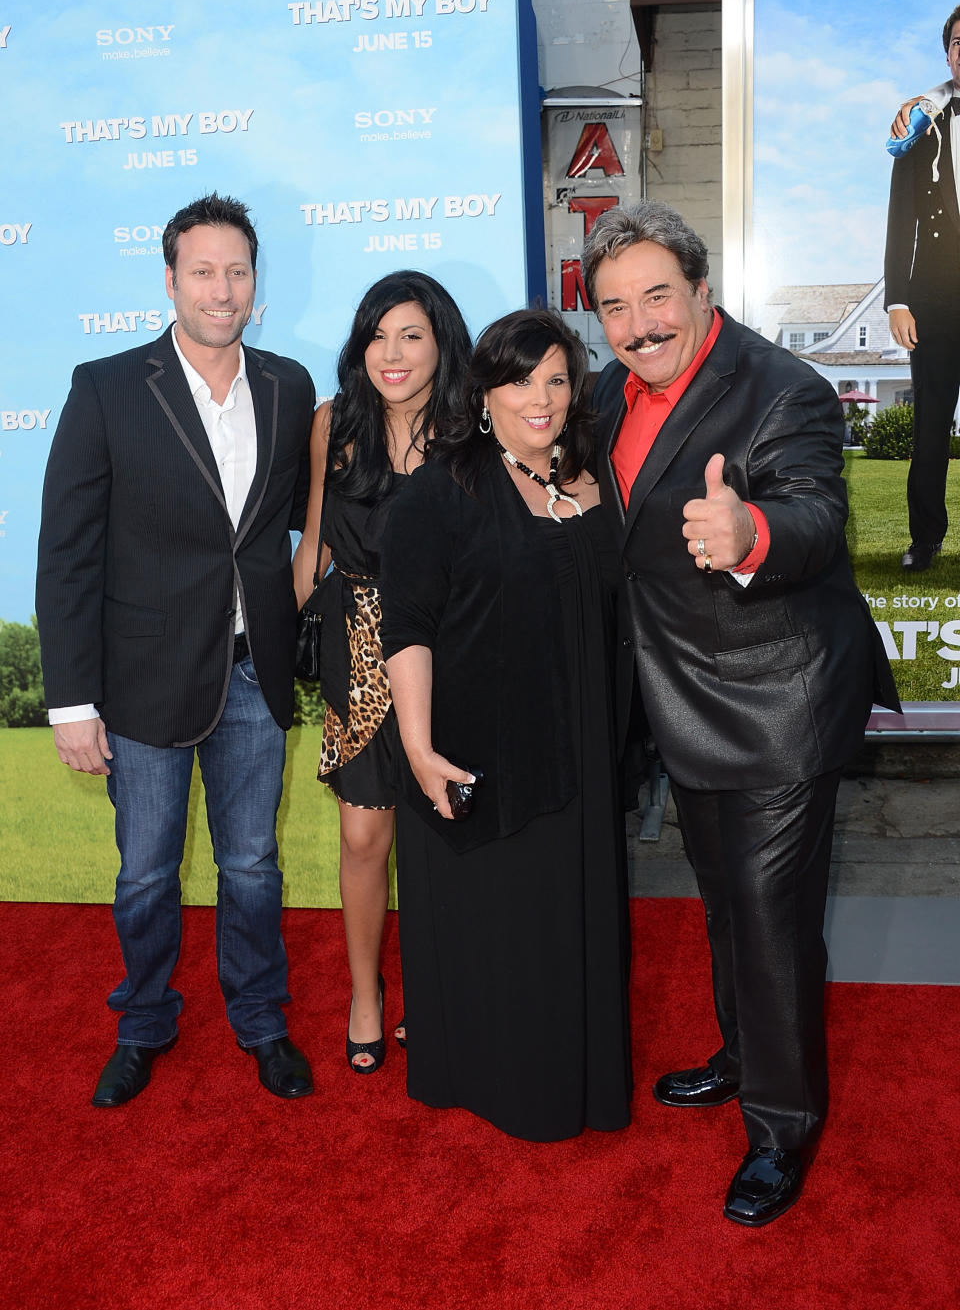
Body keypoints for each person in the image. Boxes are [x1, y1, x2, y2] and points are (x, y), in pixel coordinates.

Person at [582, 201, 899, 1224]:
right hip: (677, 698)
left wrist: (749, 526)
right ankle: (743, 1051)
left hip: (776, 700)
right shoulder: (601, 397)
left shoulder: (783, 389)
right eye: (616, 308)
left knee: (768, 921)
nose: (640, 325)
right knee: (726, 904)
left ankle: (781, 1130)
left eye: (657, 297)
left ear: (702, 290)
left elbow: (815, 514)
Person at [36, 193, 316, 1106]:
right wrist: (73, 700)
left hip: (250, 673)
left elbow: (286, 535)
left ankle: (262, 1021)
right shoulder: (108, 386)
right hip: (142, 680)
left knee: (253, 866)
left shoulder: (289, 385)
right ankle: (145, 1021)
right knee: (147, 871)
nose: (222, 289)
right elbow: (68, 551)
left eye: (237, 270)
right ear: (170, 280)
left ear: (254, 281)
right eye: (203, 271)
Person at [378, 308, 633, 1142]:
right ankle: (503, 1085)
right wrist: (418, 750)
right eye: (522, 379)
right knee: (503, 926)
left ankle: (580, 1079)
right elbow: (407, 625)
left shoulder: (594, 479)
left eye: (558, 379)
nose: (542, 397)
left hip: (582, 745)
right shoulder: (438, 490)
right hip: (483, 746)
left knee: (571, 922)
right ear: (484, 392)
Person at [292, 271, 471, 1074]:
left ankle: (438, 993)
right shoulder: (337, 422)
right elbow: (315, 545)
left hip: (448, 648)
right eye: (377, 335)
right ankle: (366, 994)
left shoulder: (472, 426)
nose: (391, 353)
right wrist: (284, 635)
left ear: (441, 342)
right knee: (365, 835)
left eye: (410, 335)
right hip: (357, 647)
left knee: (443, 837)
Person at [884, 1, 960, 571]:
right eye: (958, 42)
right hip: (935, 297)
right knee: (931, 425)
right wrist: (898, 299)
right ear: (948, 53)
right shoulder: (922, 121)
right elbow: (901, 215)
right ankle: (925, 539)